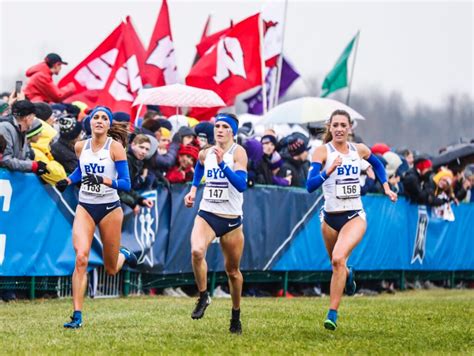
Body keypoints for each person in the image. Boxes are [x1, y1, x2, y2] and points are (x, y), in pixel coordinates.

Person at [306, 110, 397, 331]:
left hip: (354, 216)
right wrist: (328, 171)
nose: (339, 129)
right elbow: (309, 186)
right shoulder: (321, 152)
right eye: (335, 125)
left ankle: (332, 314)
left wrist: (386, 187)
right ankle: (348, 274)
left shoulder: (360, 150)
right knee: (337, 264)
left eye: (342, 125)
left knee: (338, 259)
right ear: (330, 127)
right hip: (329, 218)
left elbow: (378, 165)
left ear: (349, 128)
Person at [55, 106, 137, 329]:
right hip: (86, 207)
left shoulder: (116, 148)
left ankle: (122, 255)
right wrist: (69, 181)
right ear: (90, 123)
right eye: (96, 117)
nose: (99, 120)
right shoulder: (80, 146)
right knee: (81, 257)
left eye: (104, 118)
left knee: (111, 268)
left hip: (110, 208)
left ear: (109, 124)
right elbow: (81, 172)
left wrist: (104, 180)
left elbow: (126, 184)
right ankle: (77, 315)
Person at [184, 113, 248, 334]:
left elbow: (241, 185)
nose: (219, 130)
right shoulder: (206, 153)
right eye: (217, 126)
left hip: (230, 220)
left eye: (224, 127)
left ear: (232, 132)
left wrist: (223, 165)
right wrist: (193, 190)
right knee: (196, 251)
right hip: (207, 213)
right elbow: (200, 166)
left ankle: (235, 315)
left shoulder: (238, 152)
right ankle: (203, 296)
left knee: (232, 271)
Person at [0, 100, 49, 176]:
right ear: (27, 117)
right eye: (33, 117)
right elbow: (5, 160)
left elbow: (24, 156)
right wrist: (32, 166)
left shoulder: (23, 130)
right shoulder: (4, 128)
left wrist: (35, 165)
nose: (34, 120)